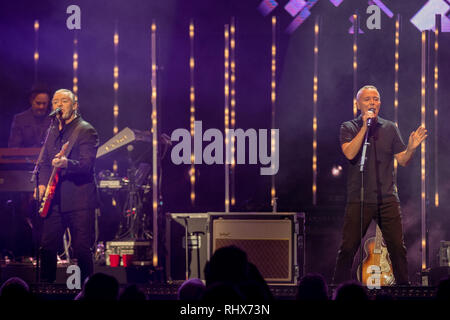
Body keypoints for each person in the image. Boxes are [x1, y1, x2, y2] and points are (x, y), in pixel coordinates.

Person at [332, 85, 427, 286]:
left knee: (397, 248)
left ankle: (403, 289)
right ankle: (338, 289)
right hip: (360, 198)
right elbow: (349, 153)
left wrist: (410, 148)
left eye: (375, 99)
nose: (372, 103)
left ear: (380, 103)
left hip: (387, 198)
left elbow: (402, 160)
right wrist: (365, 127)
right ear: (358, 104)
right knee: (348, 247)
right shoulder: (348, 127)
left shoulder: (390, 127)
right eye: (367, 99)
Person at [35, 89, 99, 283]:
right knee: (47, 246)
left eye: (64, 101)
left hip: (79, 198)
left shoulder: (86, 130)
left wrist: (67, 164)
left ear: (74, 106)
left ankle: (87, 291)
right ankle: (45, 289)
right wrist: (42, 185)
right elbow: (46, 162)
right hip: (54, 200)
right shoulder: (51, 131)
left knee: (81, 248)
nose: (59, 105)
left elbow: (87, 165)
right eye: (55, 102)